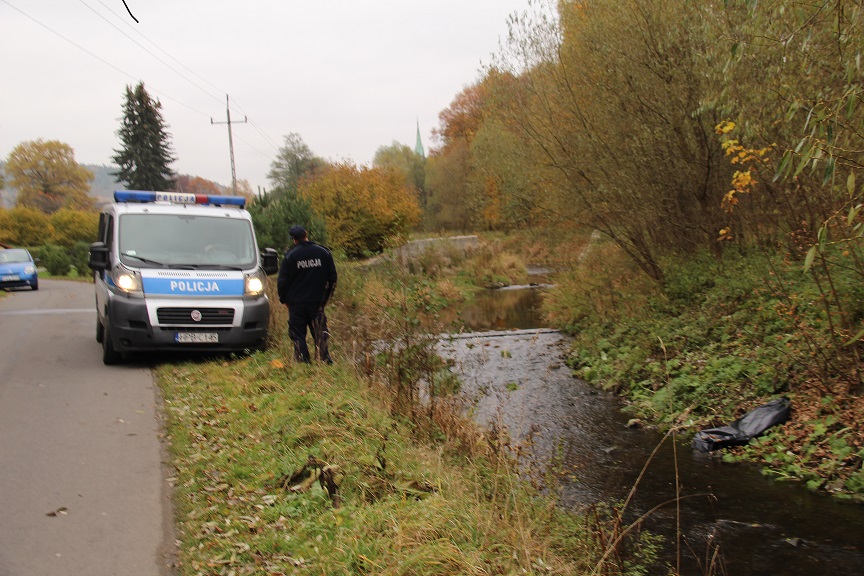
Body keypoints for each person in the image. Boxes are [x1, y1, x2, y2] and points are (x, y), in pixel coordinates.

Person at [277, 225, 338, 364]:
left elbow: (282, 281)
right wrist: (326, 297)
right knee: (320, 333)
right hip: (317, 302)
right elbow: (333, 277)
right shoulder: (323, 253)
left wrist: (284, 299)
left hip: (296, 303)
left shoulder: (290, 256)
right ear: (306, 234)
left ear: (294, 240)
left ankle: (304, 363)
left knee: (298, 335)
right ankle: (324, 361)